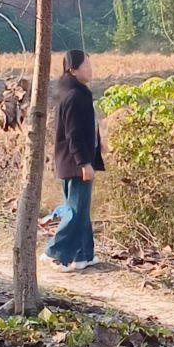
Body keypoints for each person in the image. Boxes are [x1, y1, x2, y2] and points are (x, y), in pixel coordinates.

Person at [46, 49, 104, 271]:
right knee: (76, 212)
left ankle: (83, 255)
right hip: (76, 164)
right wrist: (84, 163)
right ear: (73, 69)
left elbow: (84, 129)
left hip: (69, 161)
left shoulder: (70, 91)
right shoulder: (76, 95)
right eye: (86, 65)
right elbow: (74, 133)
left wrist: (99, 144)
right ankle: (56, 253)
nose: (90, 69)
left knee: (80, 210)